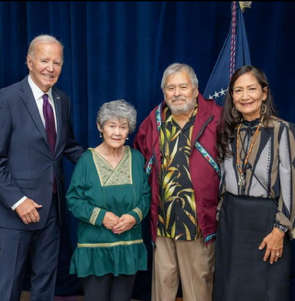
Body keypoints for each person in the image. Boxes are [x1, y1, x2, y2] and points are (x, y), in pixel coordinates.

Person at [0, 34, 84, 300]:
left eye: (57, 62)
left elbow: (67, 146)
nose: (51, 68)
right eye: (44, 60)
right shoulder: (7, 99)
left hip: (52, 209)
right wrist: (17, 201)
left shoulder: (62, 100)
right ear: (29, 61)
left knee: (46, 282)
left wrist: (106, 160)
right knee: (9, 283)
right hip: (16, 212)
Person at [133, 63, 222, 301]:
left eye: (183, 86)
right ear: (164, 93)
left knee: (197, 290)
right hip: (162, 223)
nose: (177, 93)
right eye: (170, 88)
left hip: (198, 224)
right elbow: (138, 158)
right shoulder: (154, 120)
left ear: (195, 89)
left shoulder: (216, 118)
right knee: (162, 289)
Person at [213, 65, 295, 301]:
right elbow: (223, 177)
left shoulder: (282, 131)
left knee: (264, 289)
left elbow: (290, 185)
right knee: (230, 287)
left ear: (264, 93)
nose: (245, 96)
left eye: (251, 89)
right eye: (238, 91)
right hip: (231, 220)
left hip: (267, 222)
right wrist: (221, 213)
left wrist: (280, 230)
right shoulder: (228, 131)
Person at [66, 99, 151, 301]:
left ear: (129, 130)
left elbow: (146, 195)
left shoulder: (137, 158)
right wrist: (102, 217)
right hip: (95, 248)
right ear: (100, 127)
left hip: (128, 245)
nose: (117, 132)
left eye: (123, 127)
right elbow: (74, 199)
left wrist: (133, 217)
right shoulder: (87, 160)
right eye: (111, 126)